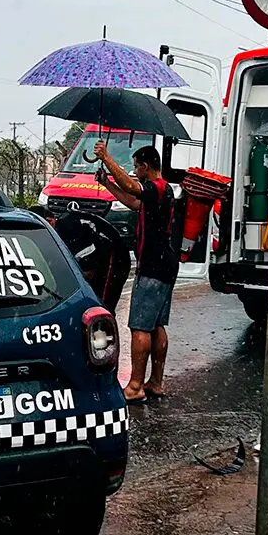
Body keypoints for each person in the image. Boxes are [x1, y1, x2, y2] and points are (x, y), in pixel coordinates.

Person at [94, 140, 177, 404]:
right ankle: (156, 381)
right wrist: (107, 183)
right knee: (156, 325)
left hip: (153, 265)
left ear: (146, 166)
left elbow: (132, 188)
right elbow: (133, 201)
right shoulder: (162, 192)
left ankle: (135, 385)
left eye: (136, 167)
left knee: (140, 326)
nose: (134, 172)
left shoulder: (157, 187)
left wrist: (106, 157)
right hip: (165, 264)